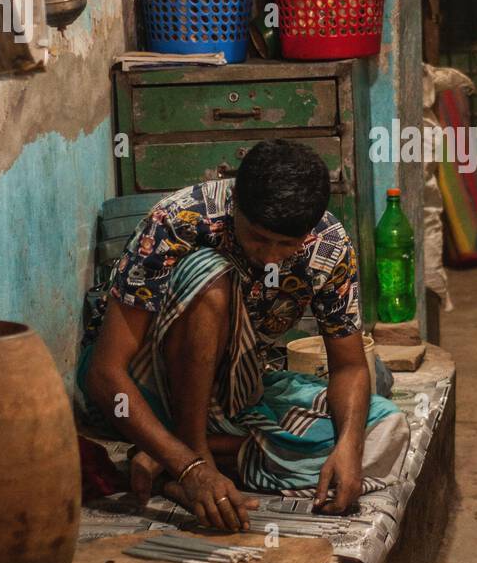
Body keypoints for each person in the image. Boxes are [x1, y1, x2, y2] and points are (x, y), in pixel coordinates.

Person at [78, 141, 408, 532]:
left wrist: (348, 449)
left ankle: (160, 455)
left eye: (286, 245)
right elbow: (104, 373)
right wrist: (193, 467)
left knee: (384, 430)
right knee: (210, 279)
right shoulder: (177, 220)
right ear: (235, 203)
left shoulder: (329, 245)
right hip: (135, 392)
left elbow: (349, 366)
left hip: (231, 395)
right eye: (257, 237)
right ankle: (191, 458)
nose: (270, 256)